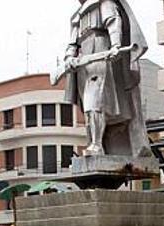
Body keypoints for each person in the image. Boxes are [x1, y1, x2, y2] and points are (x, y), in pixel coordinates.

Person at [61, 0, 151, 157]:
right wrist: (69, 57)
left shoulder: (105, 3)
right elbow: (72, 43)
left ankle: (96, 145)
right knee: (88, 105)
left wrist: (115, 45)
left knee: (94, 102)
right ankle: (93, 142)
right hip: (83, 58)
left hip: (101, 49)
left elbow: (113, 23)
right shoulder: (77, 15)